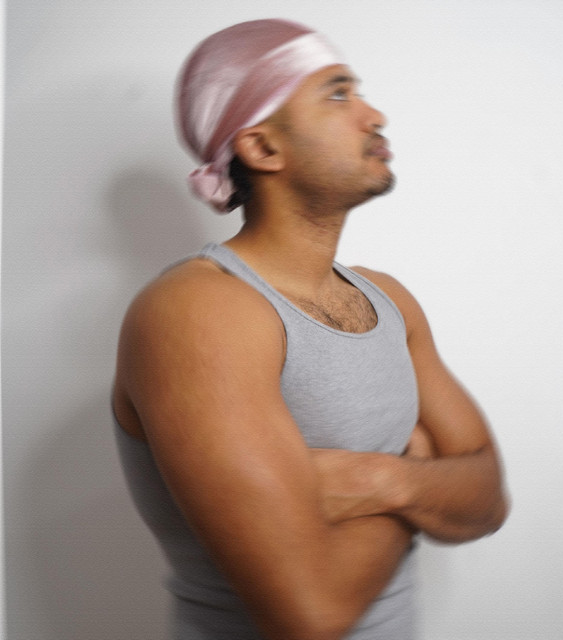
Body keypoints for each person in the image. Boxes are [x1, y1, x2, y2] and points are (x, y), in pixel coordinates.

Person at [112, 18, 508, 640]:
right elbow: (310, 616)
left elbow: (487, 500)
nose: (374, 115)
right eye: (338, 93)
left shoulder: (389, 299)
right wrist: (423, 471)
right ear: (262, 148)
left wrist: (378, 479)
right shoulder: (196, 311)